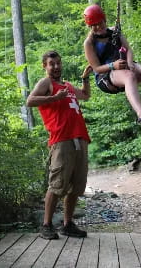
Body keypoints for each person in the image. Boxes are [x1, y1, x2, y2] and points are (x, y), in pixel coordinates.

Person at [26, 50, 93, 240]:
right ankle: (46, 225)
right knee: (57, 184)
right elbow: (30, 100)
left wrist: (85, 78)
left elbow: (86, 96)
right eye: (51, 64)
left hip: (80, 138)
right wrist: (54, 98)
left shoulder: (68, 87)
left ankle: (68, 224)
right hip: (61, 140)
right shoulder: (46, 83)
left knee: (77, 185)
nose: (56, 67)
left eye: (58, 63)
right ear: (45, 66)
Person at [83, 4, 141, 131]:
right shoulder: (89, 43)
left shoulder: (115, 32)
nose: (97, 27)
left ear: (104, 20)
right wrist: (113, 65)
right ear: (89, 26)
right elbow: (96, 68)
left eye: (100, 23)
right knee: (129, 75)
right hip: (105, 75)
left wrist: (130, 63)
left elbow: (128, 49)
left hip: (123, 64)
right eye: (93, 25)